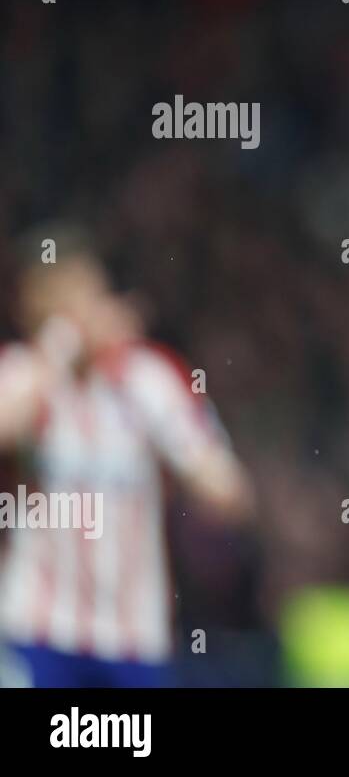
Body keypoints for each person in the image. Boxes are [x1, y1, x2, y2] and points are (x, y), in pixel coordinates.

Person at [0, 226, 251, 687]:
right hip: (37, 629)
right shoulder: (22, 373)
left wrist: (176, 436)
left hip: (134, 637)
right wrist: (63, 348)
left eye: (82, 295)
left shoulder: (150, 379)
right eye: (56, 301)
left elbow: (228, 493)